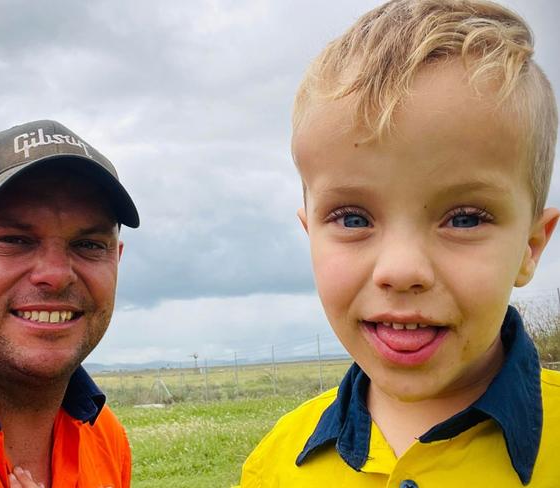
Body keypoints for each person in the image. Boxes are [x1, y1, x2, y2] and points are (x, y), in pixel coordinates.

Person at [239, 1, 560, 486]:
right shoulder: (274, 466)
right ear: (311, 237)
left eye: (466, 219)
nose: (402, 269)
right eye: (352, 218)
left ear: (530, 247)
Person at [0, 120, 140, 487]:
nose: (56, 274)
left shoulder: (106, 439)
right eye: (14, 239)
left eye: (90, 245)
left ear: (116, 260)